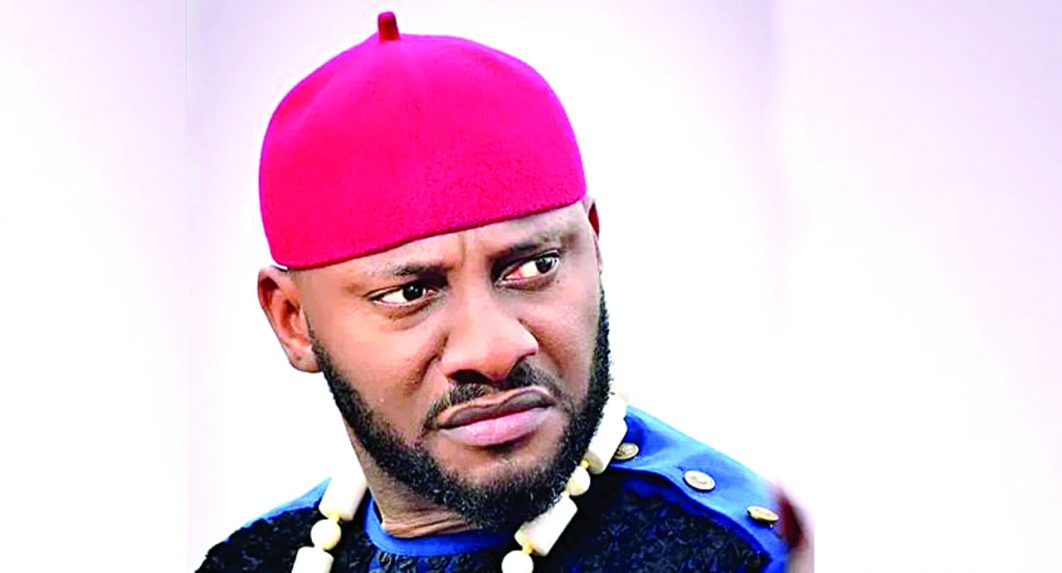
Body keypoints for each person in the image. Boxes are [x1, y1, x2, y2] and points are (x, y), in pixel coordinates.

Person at [198, 12, 807, 573]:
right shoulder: (255, 562)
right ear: (294, 321)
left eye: (534, 266)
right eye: (410, 293)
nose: (493, 349)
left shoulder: (740, 556)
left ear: (594, 247)